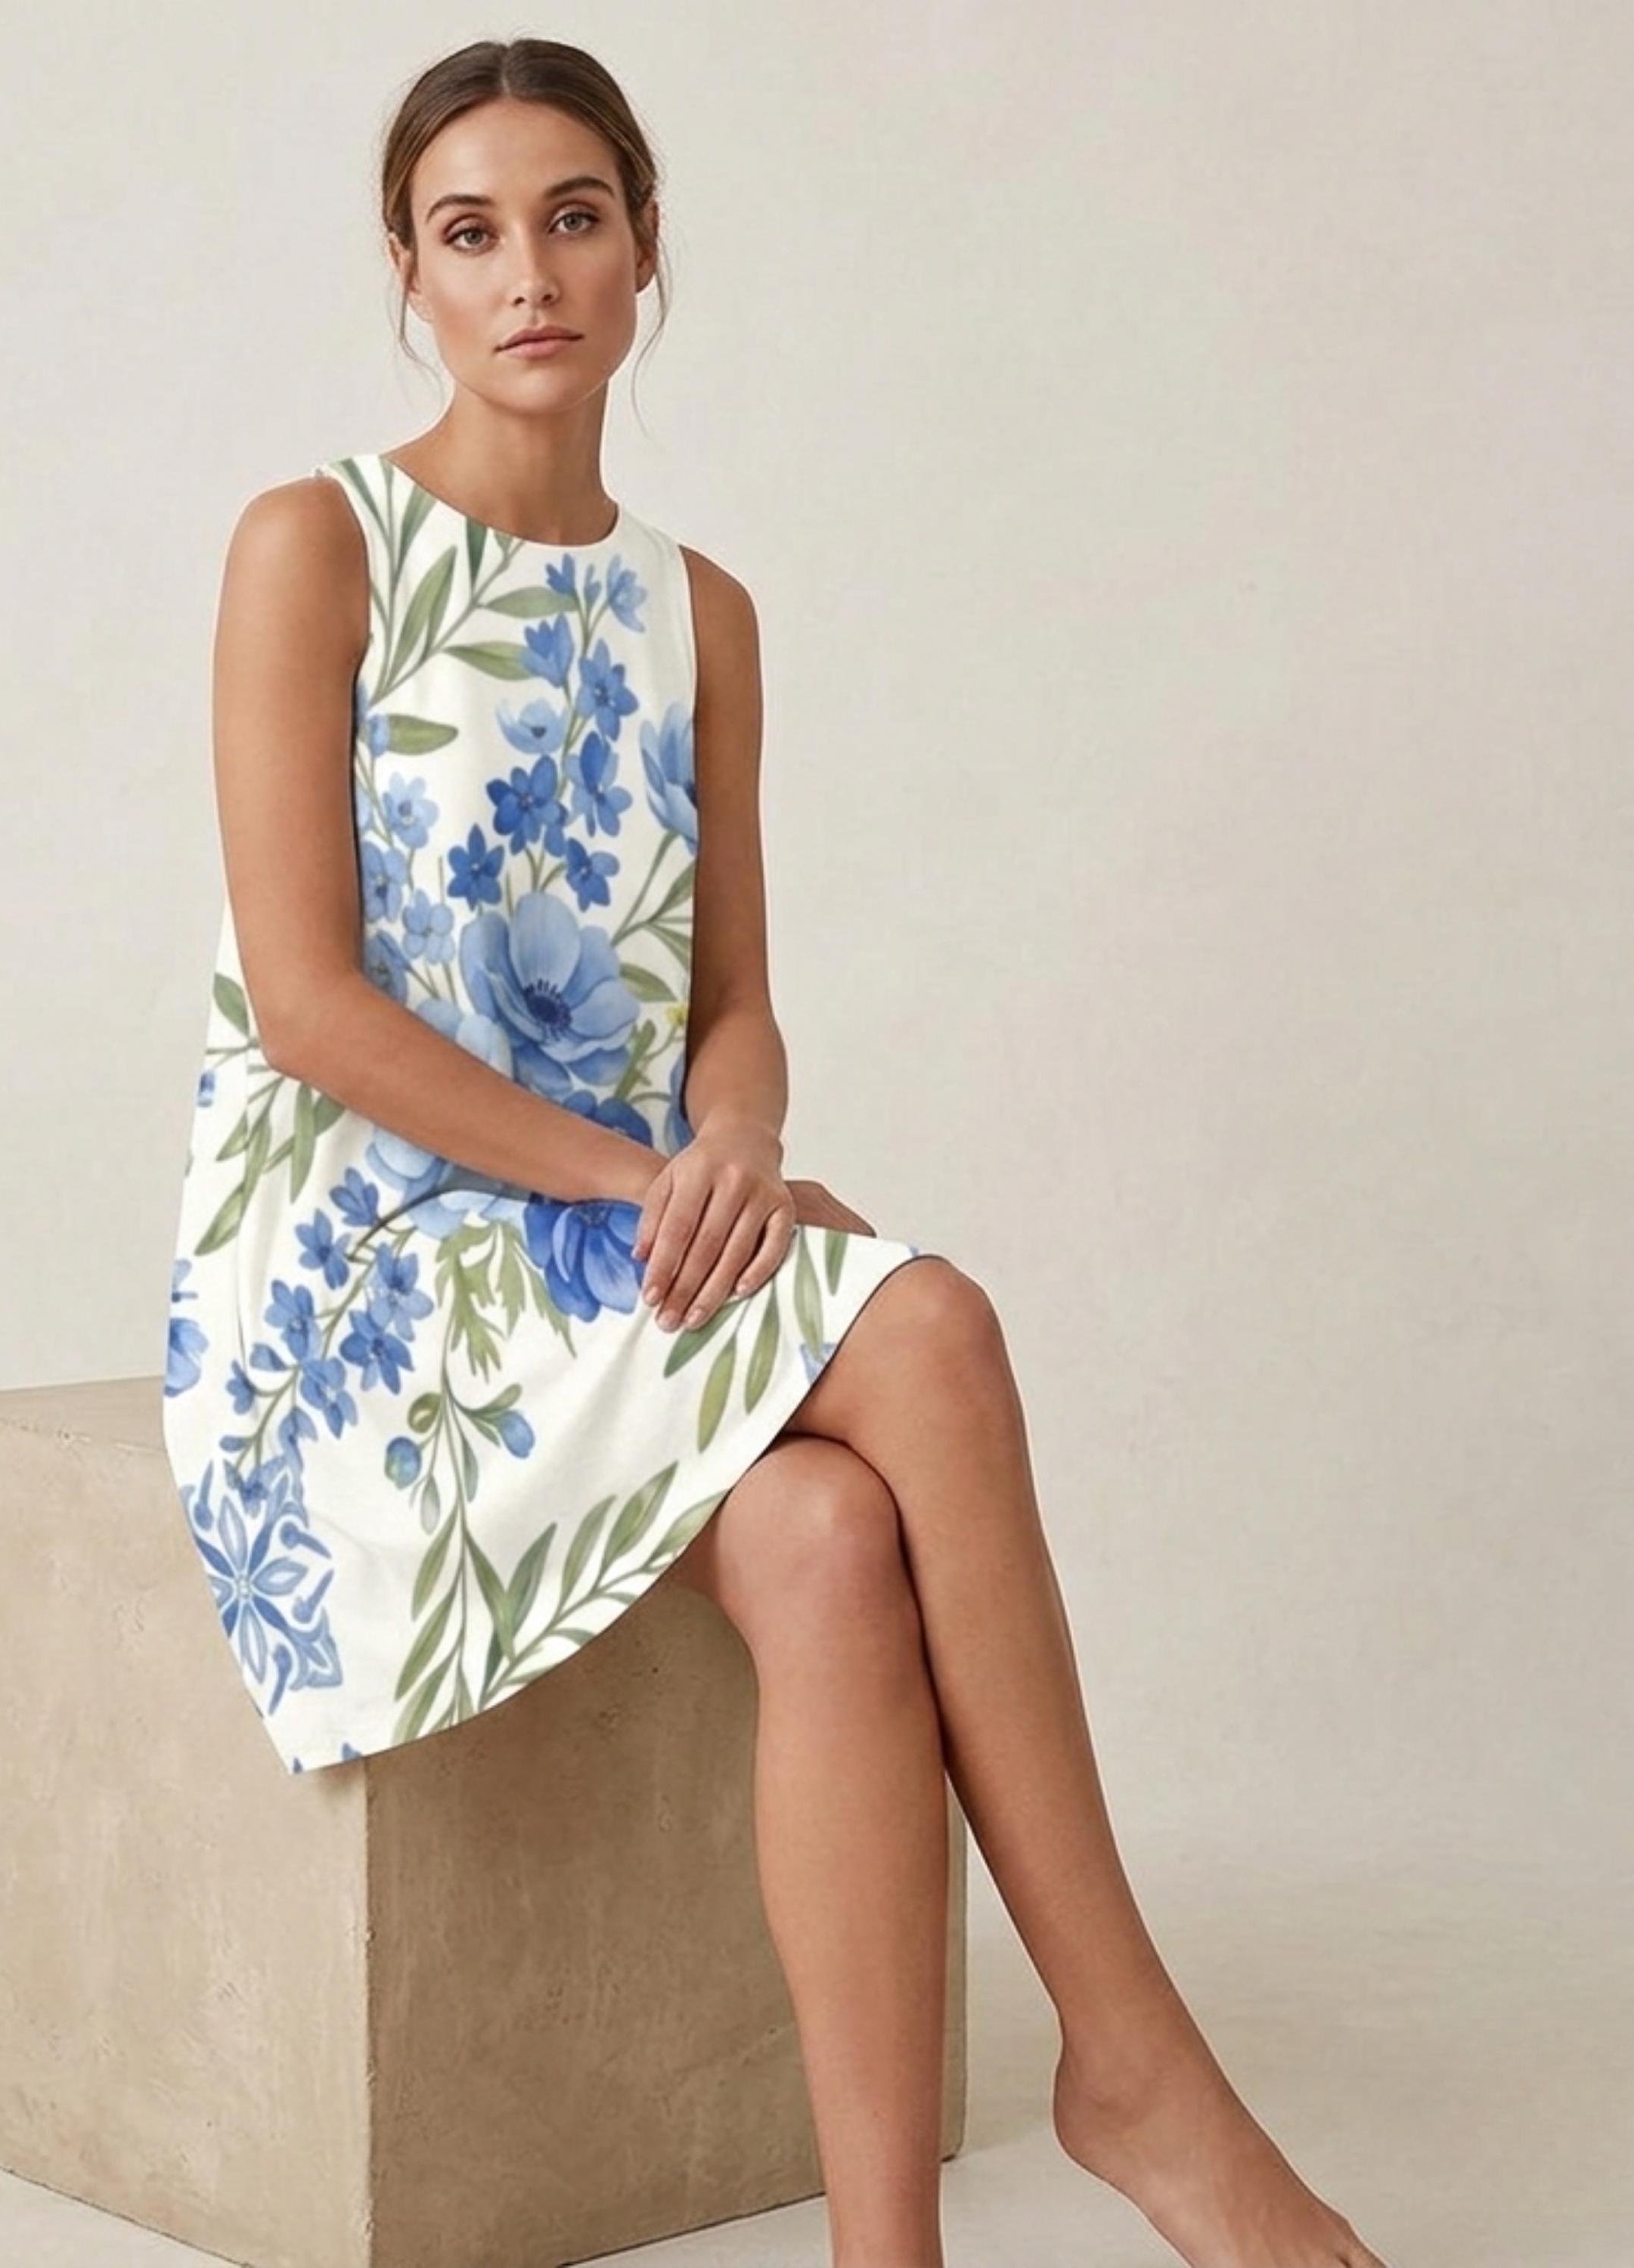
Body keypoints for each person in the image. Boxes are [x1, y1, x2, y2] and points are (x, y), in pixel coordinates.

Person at [161, 36, 1391, 2268]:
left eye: (574, 218)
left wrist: (731, 1131)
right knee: (929, 1325)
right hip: (362, 1270)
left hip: (613, 1243)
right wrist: (649, 1183)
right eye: (469, 233)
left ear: (643, 249)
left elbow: (732, 994)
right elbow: (311, 1009)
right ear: (408, 276)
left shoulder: (697, 610)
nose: (528, 274)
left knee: (826, 1543)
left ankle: (884, 2252)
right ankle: (1139, 2071)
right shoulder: (313, 545)